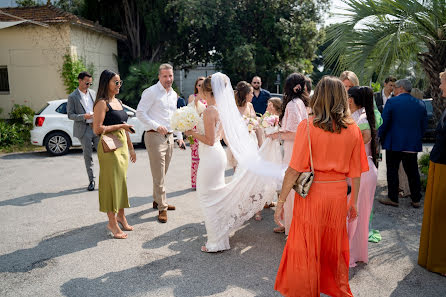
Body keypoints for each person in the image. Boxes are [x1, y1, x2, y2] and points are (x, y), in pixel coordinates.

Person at [274, 76, 368, 297]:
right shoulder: (352, 129)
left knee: (307, 246)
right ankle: (333, 287)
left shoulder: (307, 127)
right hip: (337, 196)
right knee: (332, 245)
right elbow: (355, 172)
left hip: (313, 195)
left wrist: (280, 202)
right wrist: (353, 201)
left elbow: (294, 170)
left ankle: (307, 290)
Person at [185, 73, 283, 253]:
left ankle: (216, 242)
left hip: (210, 156)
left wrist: (190, 133)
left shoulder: (209, 111)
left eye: (201, 89)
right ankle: (219, 237)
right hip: (216, 156)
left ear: (208, 91)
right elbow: (220, 136)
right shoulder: (221, 110)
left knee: (208, 197)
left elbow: (209, 139)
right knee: (215, 195)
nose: (199, 91)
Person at [136, 63, 186, 223]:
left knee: (162, 173)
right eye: (165, 76)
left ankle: (157, 200)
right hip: (154, 136)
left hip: (170, 137)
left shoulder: (173, 94)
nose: (168, 79)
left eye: (170, 76)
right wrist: (157, 126)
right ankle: (162, 208)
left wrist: (179, 136)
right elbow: (140, 113)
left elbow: (174, 117)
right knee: (159, 175)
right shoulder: (151, 92)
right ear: (159, 76)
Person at [92, 69, 136, 239]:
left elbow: (124, 126)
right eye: (115, 82)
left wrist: (131, 148)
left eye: (120, 82)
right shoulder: (102, 103)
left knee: (121, 182)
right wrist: (120, 127)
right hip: (109, 147)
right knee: (111, 184)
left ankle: (121, 216)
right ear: (106, 84)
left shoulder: (118, 101)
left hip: (122, 146)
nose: (119, 85)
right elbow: (97, 129)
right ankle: (112, 223)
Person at [268, 73, 309, 234]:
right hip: (296, 147)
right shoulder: (301, 102)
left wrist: (275, 135)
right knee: (293, 187)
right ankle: (289, 223)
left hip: (293, 148)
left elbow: (295, 133)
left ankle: (291, 228)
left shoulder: (293, 104)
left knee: (290, 186)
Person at [378, 79, 428, 208]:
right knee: (412, 172)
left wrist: (380, 137)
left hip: (394, 143)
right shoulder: (420, 104)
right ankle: (416, 199)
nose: (393, 90)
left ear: (401, 88)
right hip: (411, 144)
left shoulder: (392, 102)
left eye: (395, 87)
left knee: (392, 171)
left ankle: (393, 198)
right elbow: (424, 126)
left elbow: (384, 123)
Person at [347, 86, 380, 267]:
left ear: (352, 99)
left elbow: (362, 141)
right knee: (355, 215)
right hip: (362, 170)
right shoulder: (359, 116)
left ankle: (352, 254)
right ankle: (355, 253)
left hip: (362, 172)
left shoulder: (362, 119)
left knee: (355, 215)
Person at [418, 71, 446, 277]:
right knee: (436, 213)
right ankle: (434, 259)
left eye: (443, 83)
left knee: (441, 214)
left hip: (444, 166)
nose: (440, 87)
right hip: (439, 164)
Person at [67, 71, 99, 191]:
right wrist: (83, 116)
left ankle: (106, 179)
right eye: (86, 83)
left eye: (90, 83)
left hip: (96, 127)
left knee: (103, 153)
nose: (88, 85)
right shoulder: (72, 96)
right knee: (88, 156)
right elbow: (70, 115)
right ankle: (92, 180)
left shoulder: (93, 93)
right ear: (80, 81)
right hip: (83, 129)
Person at [187, 77, 207, 190]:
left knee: (205, 156)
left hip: (204, 129)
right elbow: (189, 111)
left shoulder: (209, 98)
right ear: (196, 86)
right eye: (199, 85)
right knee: (195, 157)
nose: (201, 87)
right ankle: (195, 182)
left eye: (203, 85)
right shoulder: (192, 97)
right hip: (194, 129)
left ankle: (204, 182)